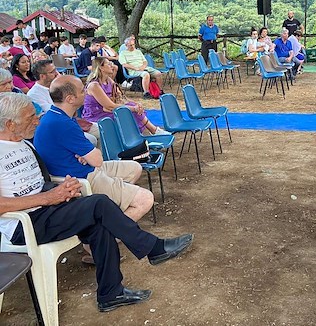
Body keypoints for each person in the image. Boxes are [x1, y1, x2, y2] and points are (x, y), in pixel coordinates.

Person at [0, 92, 193, 312]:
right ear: (9, 124)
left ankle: (111, 294)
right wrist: (48, 197)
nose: (36, 120)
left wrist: (63, 188)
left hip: (46, 210)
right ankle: (153, 248)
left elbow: (39, 182)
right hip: (24, 224)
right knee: (98, 203)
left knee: (99, 226)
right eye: (30, 118)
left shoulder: (25, 145)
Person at [34, 75, 154, 223]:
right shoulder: (62, 123)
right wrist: (89, 154)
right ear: (70, 99)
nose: (86, 92)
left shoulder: (58, 116)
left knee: (134, 168)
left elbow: (88, 155)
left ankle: (110, 209)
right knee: (145, 199)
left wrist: (86, 154)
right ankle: (106, 236)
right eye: (82, 90)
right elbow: (97, 160)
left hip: (82, 168)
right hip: (81, 177)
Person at [82, 57, 166, 135]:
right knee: (130, 111)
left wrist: (136, 104)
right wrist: (133, 108)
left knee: (133, 107)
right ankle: (152, 131)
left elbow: (121, 97)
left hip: (107, 110)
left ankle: (149, 132)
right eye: (108, 64)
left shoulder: (108, 80)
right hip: (97, 115)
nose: (112, 66)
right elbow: (110, 106)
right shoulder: (94, 85)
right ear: (101, 68)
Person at [27, 60, 100, 146]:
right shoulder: (34, 94)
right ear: (42, 76)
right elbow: (56, 112)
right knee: (93, 138)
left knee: (102, 129)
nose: (57, 73)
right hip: (57, 128)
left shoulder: (57, 86)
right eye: (52, 72)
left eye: (56, 70)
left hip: (71, 122)